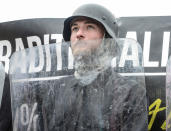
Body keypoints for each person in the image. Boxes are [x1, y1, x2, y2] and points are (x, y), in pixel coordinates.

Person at [47, 3, 147, 131]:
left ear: (107, 39)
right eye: (75, 28)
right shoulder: (57, 90)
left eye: (89, 27)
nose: (79, 34)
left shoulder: (130, 92)